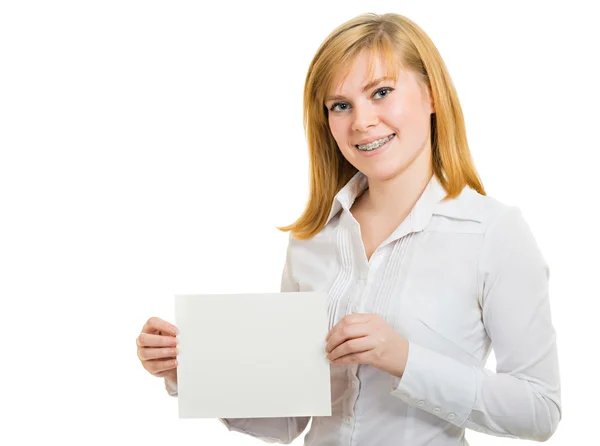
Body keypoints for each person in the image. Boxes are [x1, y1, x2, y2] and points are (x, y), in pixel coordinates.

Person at [136, 12, 561, 445]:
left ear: (431, 95)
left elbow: (539, 411)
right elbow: (288, 419)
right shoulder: (312, 237)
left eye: (381, 92)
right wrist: (188, 371)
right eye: (341, 105)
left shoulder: (493, 233)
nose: (361, 122)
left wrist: (404, 359)